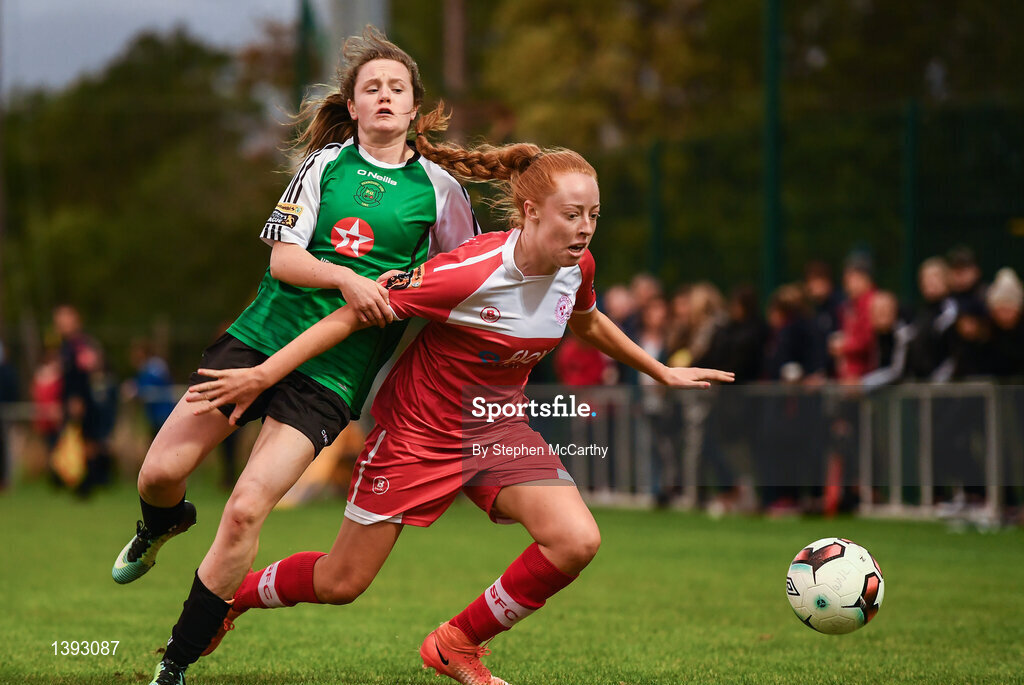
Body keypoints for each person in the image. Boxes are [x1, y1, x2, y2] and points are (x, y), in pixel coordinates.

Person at [180, 137, 734, 685]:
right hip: (417, 434)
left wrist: (660, 371)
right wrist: (264, 373)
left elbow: (586, 321)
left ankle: (454, 645)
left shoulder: (577, 265)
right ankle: (236, 597)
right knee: (340, 582)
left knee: (575, 540)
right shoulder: (467, 272)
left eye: (593, 214)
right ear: (531, 211)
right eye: (572, 214)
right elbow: (352, 315)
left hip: (497, 428)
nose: (585, 227)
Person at [113, 28, 479, 685]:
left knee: (249, 506)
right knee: (159, 471)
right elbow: (283, 257)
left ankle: (175, 660)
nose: (386, 96)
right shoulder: (325, 166)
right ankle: (161, 522)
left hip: (333, 375)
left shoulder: (442, 191)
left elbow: (462, 281)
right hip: (259, 338)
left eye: (398, 88)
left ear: (415, 108)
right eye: (374, 88)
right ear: (355, 105)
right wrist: (345, 278)